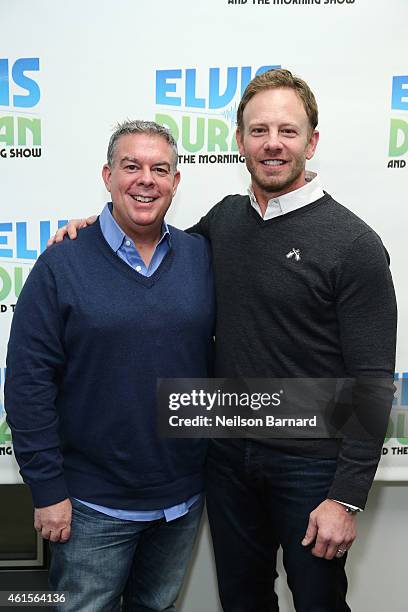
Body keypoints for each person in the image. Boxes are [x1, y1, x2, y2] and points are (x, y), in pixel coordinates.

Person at [49, 70, 397, 611]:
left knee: (319, 601)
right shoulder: (227, 220)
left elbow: (374, 383)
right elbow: (156, 245)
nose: (273, 143)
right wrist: (103, 227)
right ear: (239, 142)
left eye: (288, 130)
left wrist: (346, 497)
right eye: (259, 130)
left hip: (311, 467)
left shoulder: (355, 245)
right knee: (241, 599)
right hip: (227, 456)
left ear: (313, 141)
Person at [5, 120, 215, 612]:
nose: (146, 179)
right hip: (89, 507)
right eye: (131, 166)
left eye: (160, 168)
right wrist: (47, 490)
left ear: (176, 182)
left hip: (181, 502)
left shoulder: (202, 256)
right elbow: (27, 384)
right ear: (108, 175)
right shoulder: (62, 264)